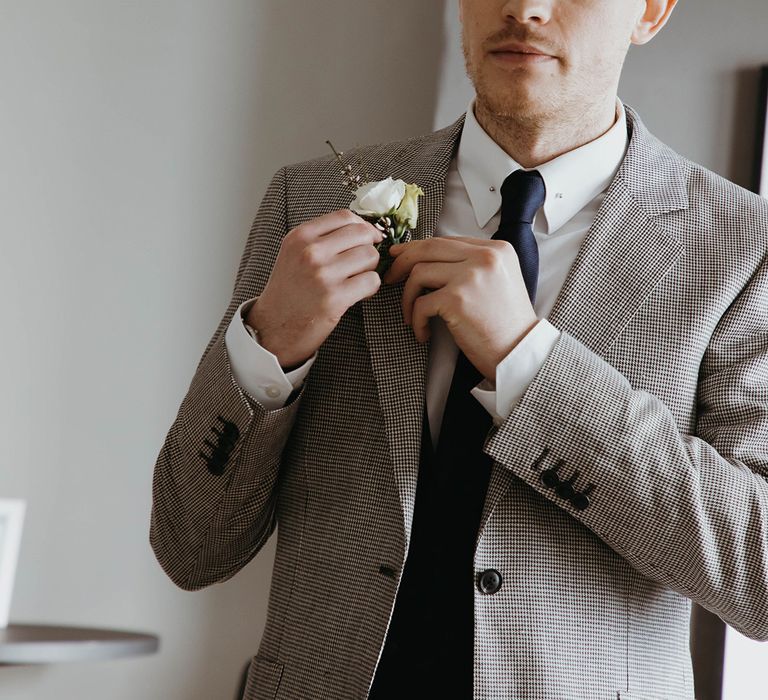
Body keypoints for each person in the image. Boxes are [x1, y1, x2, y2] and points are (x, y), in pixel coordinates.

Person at [150, 0, 768, 698]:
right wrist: (269, 347)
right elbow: (190, 547)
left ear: (650, 11)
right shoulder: (308, 200)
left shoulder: (745, 250)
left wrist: (529, 363)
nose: (524, 7)